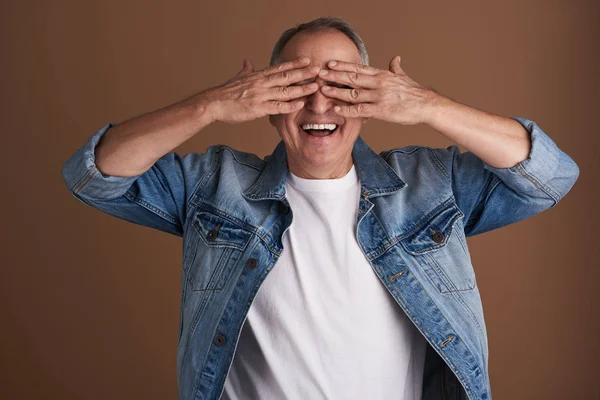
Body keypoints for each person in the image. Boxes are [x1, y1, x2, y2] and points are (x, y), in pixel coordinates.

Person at [61, 16, 579, 400]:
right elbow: (95, 175)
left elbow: (550, 176)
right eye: (297, 85)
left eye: (341, 85)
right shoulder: (214, 188)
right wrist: (212, 105)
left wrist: (425, 105)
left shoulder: (428, 185)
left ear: (371, 99)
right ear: (266, 101)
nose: (319, 105)